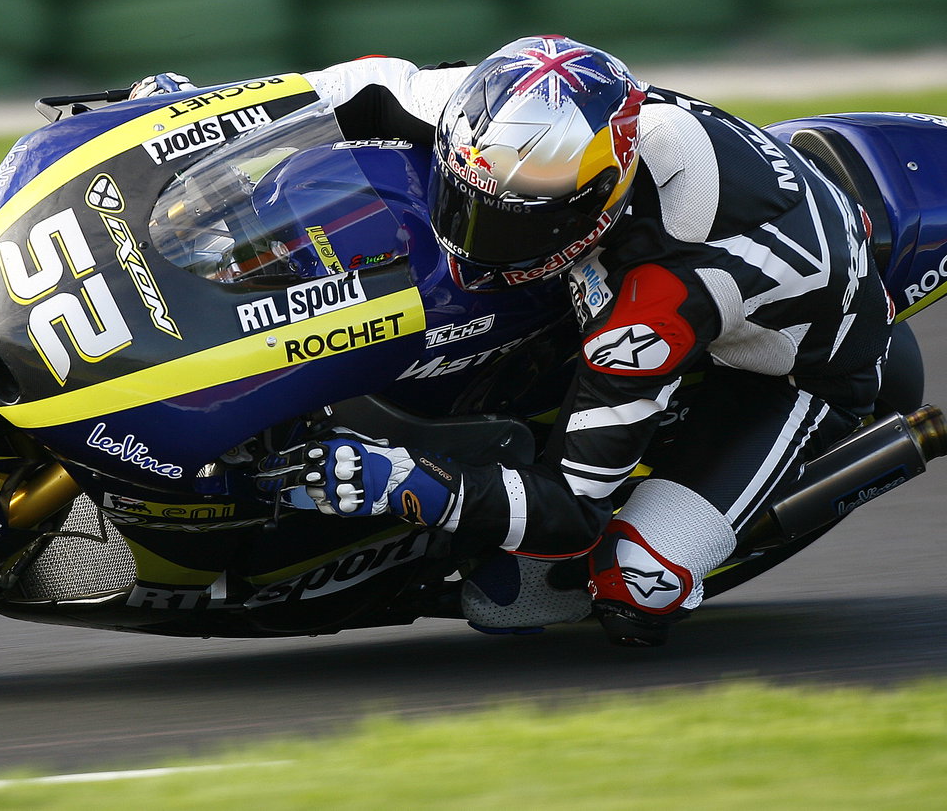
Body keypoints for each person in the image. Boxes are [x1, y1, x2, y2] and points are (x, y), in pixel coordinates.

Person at [138, 35, 893, 646]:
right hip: (663, 242)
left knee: (632, 586)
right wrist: (190, 118)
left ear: (593, 206)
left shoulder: (657, 303)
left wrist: (409, 485)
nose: (472, 236)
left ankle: (766, 488)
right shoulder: (508, 110)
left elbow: (575, 507)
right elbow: (359, 85)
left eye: (510, 222)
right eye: (465, 199)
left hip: (790, 370)